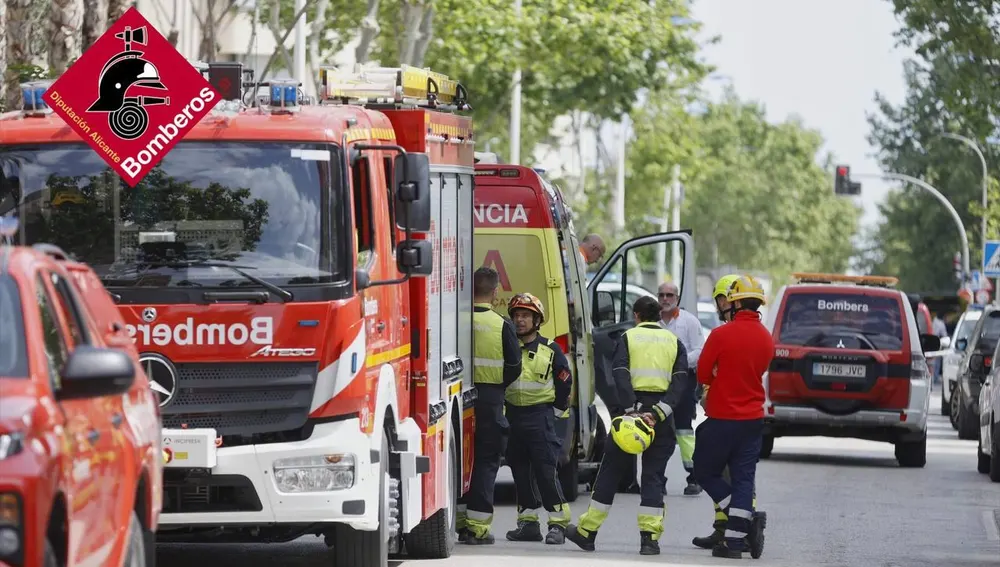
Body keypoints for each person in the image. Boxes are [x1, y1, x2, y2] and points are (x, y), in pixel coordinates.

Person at [565, 296, 691, 556]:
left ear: (636, 315)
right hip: (662, 417)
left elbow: (619, 374)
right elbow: (680, 383)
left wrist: (632, 409)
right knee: (653, 477)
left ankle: (587, 533)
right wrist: (657, 413)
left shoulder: (628, 338)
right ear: (658, 316)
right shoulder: (674, 342)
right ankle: (649, 540)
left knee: (610, 472)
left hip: (631, 414)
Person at [693, 275, 773, 559]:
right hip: (752, 421)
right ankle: (734, 542)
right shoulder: (766, 338)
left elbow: (703, 374)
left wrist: (717, 374)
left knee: (704, 471)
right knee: (742, 480)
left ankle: (745, 524)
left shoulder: (720, 335)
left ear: (735, 303)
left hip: (722, 418)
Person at [503, 293, 574, 545]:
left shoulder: (551, 349)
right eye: (517, 316)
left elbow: (565, 380)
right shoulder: (507, 346)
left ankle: (557, 525)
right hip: (513, 417)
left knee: (545, 472)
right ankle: (528, 524)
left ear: (537, 320)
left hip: (540, 417)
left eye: (525, 316)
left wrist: (554, 412)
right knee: (520, 472)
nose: (520, 321)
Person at [460, 266, 523, 545]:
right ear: (495, 293)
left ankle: (460, 522)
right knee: (486, 463)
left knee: (461, 461)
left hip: (458, 398)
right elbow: (514, 366)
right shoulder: (501, 325)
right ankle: (477, 529)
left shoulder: (457, 319)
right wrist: (498, 384)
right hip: (490, 399)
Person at [657, 280, 705, 496]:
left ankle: (694, 477)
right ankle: (657, 478)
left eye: (670, 295)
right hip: (658, 383)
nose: (665, 299)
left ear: (677, 298)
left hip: (684, 382)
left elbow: (700, 350)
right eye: (662, 295)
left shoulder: (689, 322)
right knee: (658, 431)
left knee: (684, 430)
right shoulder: (653, 322)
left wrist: (680, 361)